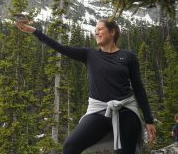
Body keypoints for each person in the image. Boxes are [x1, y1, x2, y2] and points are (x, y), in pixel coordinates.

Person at [15, 18, 156, 154]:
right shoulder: (90, 55)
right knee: (70, 147)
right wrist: (35, 32)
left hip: (126, 111)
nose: (96, 32)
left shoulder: (128, 56)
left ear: (112, 32)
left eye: (100, 29)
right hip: (98, 111)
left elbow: (138, 88)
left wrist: (149, 120)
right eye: (95, 30)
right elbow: (60, 48)